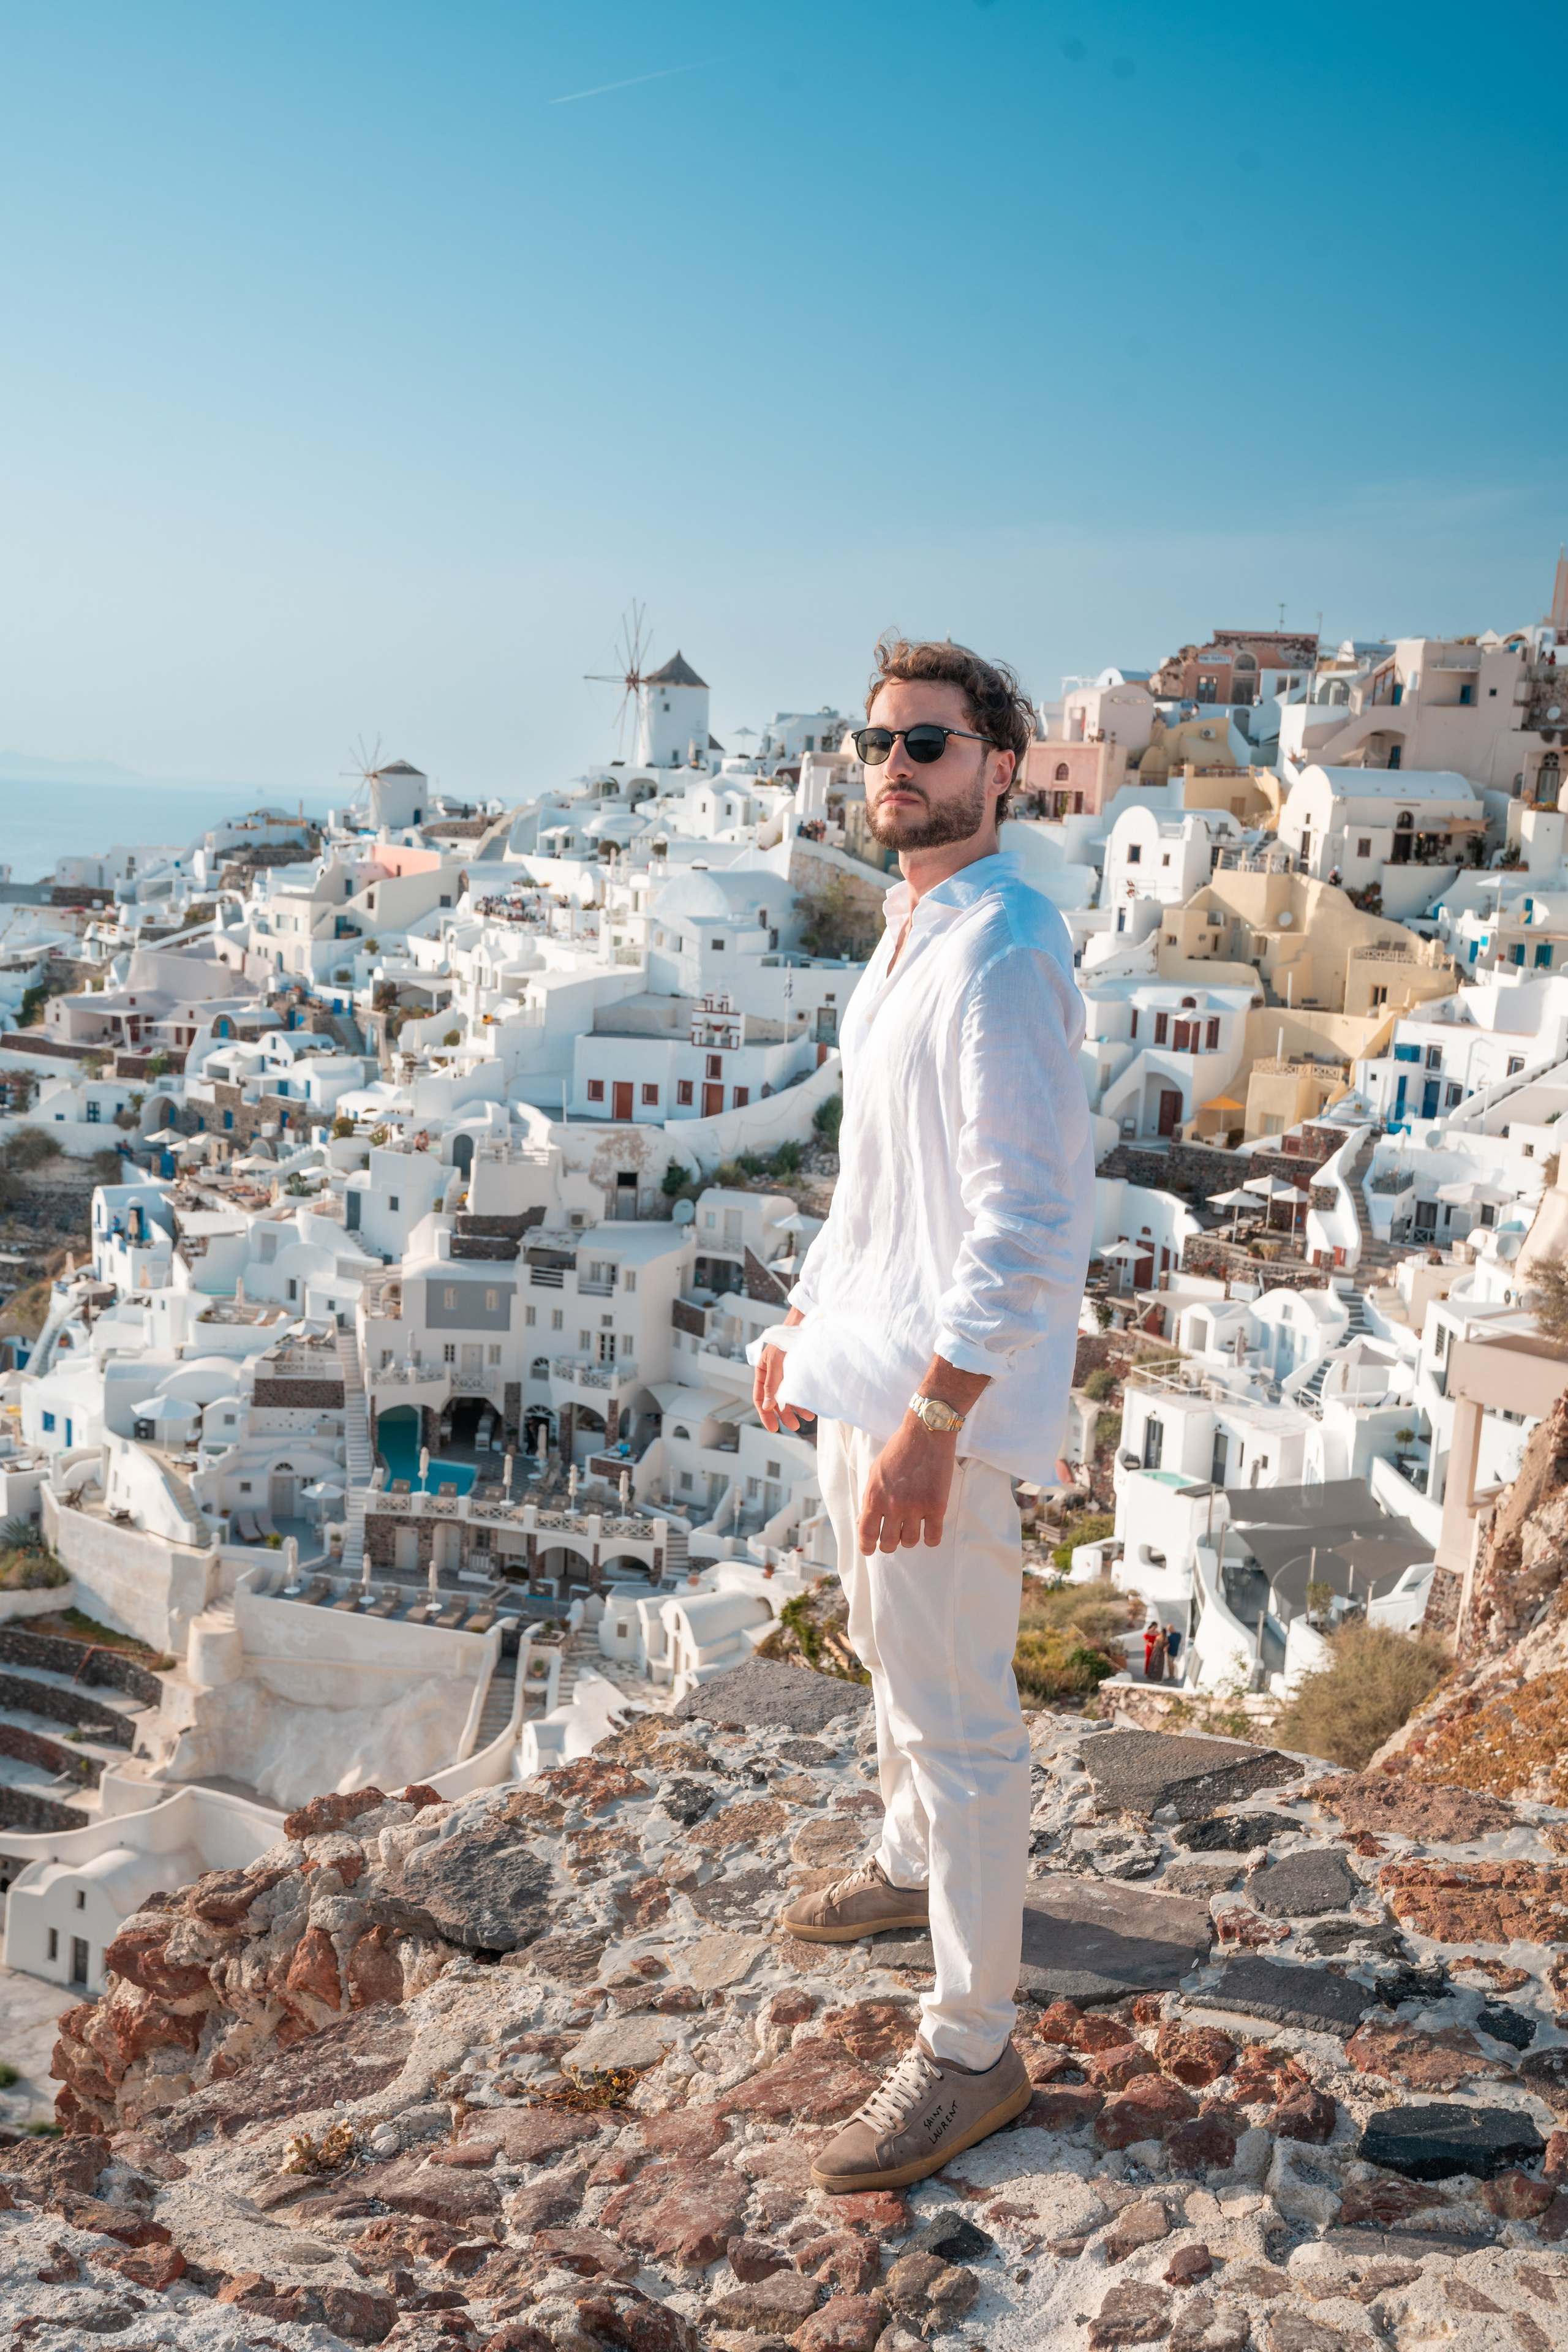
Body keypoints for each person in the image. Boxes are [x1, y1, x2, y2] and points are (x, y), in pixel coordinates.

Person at [752, 634, 1094, 2193]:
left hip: (928, 1413)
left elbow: (1025, 1224)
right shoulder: (904, 939)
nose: (895, 769)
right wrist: (804, 1322)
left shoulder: (1005, 947)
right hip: (863, 1374)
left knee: (959, 1723)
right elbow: (876, 1191)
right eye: (877, 743)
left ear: (999, 767)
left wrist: (934, 1422)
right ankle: (903, 1874)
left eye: (930, 746)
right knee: (893, 1662)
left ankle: (970, 2049)